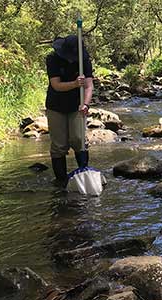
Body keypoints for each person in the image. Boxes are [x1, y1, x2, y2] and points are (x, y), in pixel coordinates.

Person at [46, 35, 94, 188]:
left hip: (77, 105)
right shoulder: (53, 59)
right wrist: (74, 84)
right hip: (56, 106)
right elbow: (56, 85)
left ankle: (83, 173)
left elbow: (88, 85)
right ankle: (61, 182)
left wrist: (86, 104)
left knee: (79, 140)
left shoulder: (84, 61)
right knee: (59, 145)